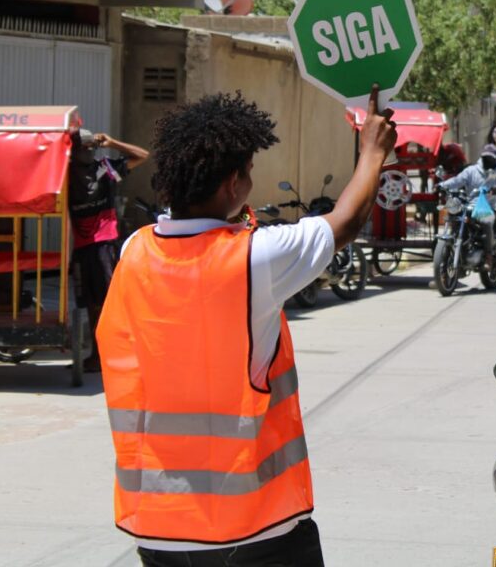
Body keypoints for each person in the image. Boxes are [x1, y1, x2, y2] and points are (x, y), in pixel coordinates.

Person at [97, 86, 397, 567]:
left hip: (158, 525)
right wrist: (373, 152)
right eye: (249, 173)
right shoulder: (254, 257)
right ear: (231, 184)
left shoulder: (134, 251)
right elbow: (344, 223)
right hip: (254, 529)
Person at [68, 128, 148, 372]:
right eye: (85, 147)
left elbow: (142, 155)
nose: (90, 151)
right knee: (90, 304)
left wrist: (112, 142)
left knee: (107, 302)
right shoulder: (66, 173)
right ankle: (96, 354)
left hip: (104, 244)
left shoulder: (105, 169)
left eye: (93, 147)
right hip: (82, 247)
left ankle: (114, 354)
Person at [438, 144, 496, 261]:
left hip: (486, 207)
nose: (487, 160)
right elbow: (457, 180)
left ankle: (488, 255)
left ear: (495, 159)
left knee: (487, 222)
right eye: (485, 157)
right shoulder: (472, 170)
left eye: (490, 158)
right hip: (468, 205)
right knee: (454, 218)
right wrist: (442, 185)